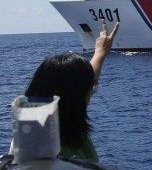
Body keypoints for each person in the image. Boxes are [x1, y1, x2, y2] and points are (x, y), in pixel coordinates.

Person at [23, 20, 120, 161]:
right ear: (74, 98)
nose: (91, 93)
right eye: (90, 90)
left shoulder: (52, 124)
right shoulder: (43, 149)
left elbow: (83, 82)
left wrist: (100, 53)